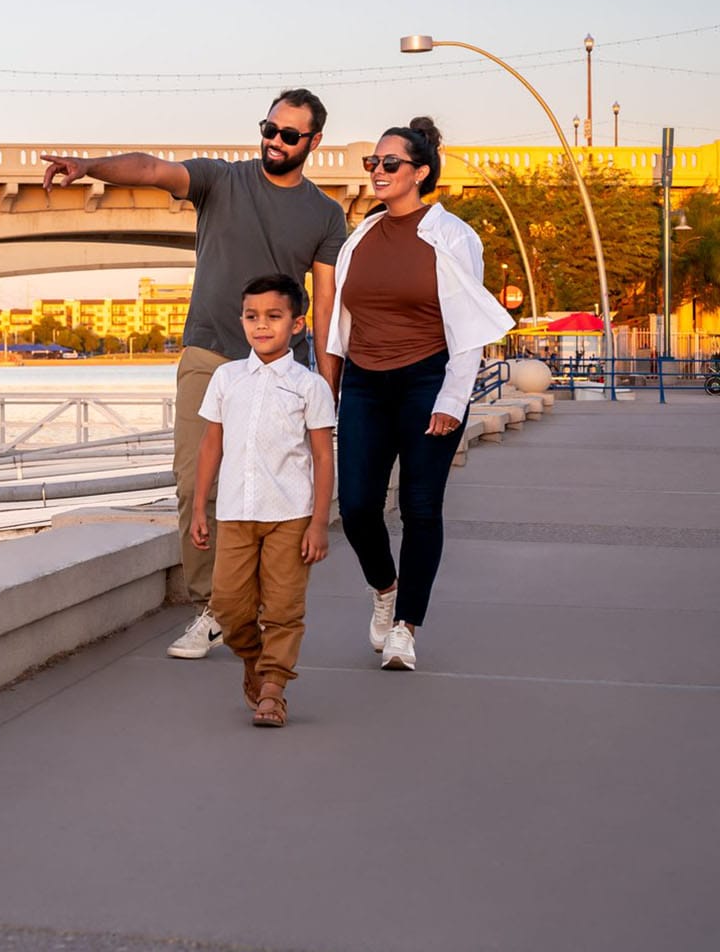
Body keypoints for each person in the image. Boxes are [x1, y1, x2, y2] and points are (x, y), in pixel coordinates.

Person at [44, 89, 348, 660]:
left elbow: (326, 305)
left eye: (288, 135)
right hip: (209, 355)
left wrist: (327, 388)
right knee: (195, 484)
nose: (274, 141)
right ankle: (214, 606)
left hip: (282, 369)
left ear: (313, 142)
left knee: (274, 490)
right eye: (268, 128)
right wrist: (89, 167)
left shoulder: (326, 215)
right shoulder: (221, 180)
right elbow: (152, 169)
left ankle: (257, 603)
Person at [326, 117, 514, 671]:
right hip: (363, 381)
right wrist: (329, 386)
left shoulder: (453, 235)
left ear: (420, 172)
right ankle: (384, 588)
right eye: (372, 164)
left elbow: (466, 326)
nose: (377, 173)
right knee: (358, 507)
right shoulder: (359, 235)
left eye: (389, 164)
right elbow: (341, 320)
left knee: (420, 506)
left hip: (426, 378)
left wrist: (452, 401)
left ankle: (406, 626)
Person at [188, 274, 335, 727]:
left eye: (274, 316)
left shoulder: (309, 386)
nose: (261, 325)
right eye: (252, 317)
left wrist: (318, 523)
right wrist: (199, 507)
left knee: (284, 608)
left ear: (296, 324)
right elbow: (211, 444)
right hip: (234, 513)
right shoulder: (226, 378)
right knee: (230, 608)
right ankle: (254, 662)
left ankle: (274, 689)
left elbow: (323, 456)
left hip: (290, 514)